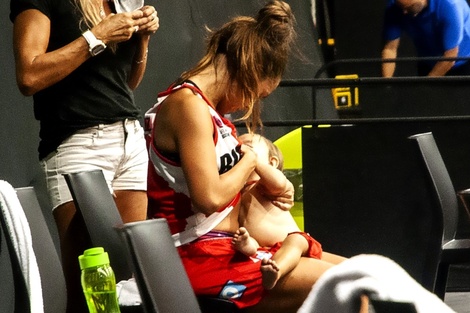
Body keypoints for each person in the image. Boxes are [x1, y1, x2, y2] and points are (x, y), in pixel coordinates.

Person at [147, 1, 343, 311]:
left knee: (361, 274)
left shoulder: (213, 113)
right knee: (346, 289)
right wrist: (251, 161)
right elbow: (209, 198)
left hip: (231, 249)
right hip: (198, 256)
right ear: (248, 70)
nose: (246, 105)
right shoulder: (188, 106)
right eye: (256, 95)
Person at [10, 0, 159, 312]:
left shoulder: (114, 0)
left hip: (128, 140)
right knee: (89, 287)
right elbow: (28, 75)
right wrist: (96, 37)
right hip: (79, 145)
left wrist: (142, 40)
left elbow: (125, 84)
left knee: (127, 286)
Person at [232, 133, 346, 290]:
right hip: (263, 250)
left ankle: (276, 272)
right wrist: (246, 244)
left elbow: (278, 184)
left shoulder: (264, 185)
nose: (241, 148)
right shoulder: (235, 192)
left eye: (249, 145)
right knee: (248, 243)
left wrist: (253, 161)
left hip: (294, 241)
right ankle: (265, 263)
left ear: (272, 162)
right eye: (237, 146)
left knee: (295, 241)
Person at [382, 0, 470, 76]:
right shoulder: (396, 6)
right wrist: (386, 84)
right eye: (401, 7)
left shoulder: (450, 5)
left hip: (462, 62)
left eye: (410, 7)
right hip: (428, 61)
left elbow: (450, 56)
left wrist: (425, 86)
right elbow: (390, 49)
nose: (404, 12)